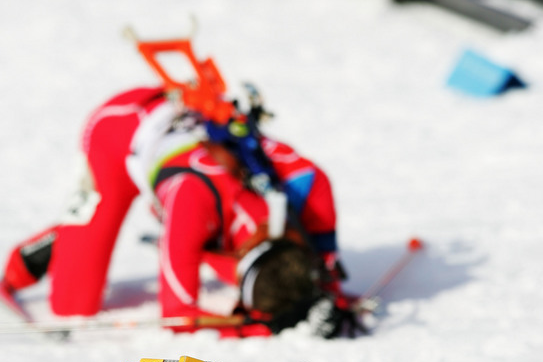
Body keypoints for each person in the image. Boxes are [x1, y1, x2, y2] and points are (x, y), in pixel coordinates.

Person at [1, 83, 352, 337]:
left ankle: (183, 245)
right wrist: (255, 325)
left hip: (186, 137)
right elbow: (179, 316)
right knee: (72, 305)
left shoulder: (308, 183)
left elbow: (321, 260)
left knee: (214, 253)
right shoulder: (193, 200)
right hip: (119, 132)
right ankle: (29, 259)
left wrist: (327, 291)